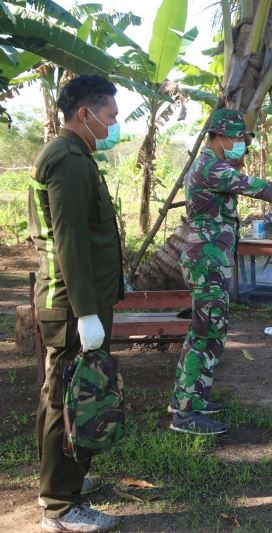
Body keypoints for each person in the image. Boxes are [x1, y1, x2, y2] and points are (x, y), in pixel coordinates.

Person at [168, 109, 272, 435]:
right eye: (238, 138)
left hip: (209, 259)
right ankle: (186, 414)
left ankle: (188, 398)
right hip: (206, 261)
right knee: (206, 334)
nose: (242, 144)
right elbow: (256, 186)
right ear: (220, 137)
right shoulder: (210, 167)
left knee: (205, 331)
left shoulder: (214, 165)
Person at [28, 75, 123, 532]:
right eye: (109, 117)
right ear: (84, 114)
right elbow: (70, 241)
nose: (113, 126)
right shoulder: (66, 159)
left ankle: (63, 484)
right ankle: (60, 508)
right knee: (68, 397)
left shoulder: (76, 155)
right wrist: (86, 311)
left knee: (63, 395)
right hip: (70, 302)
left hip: (79, 299)